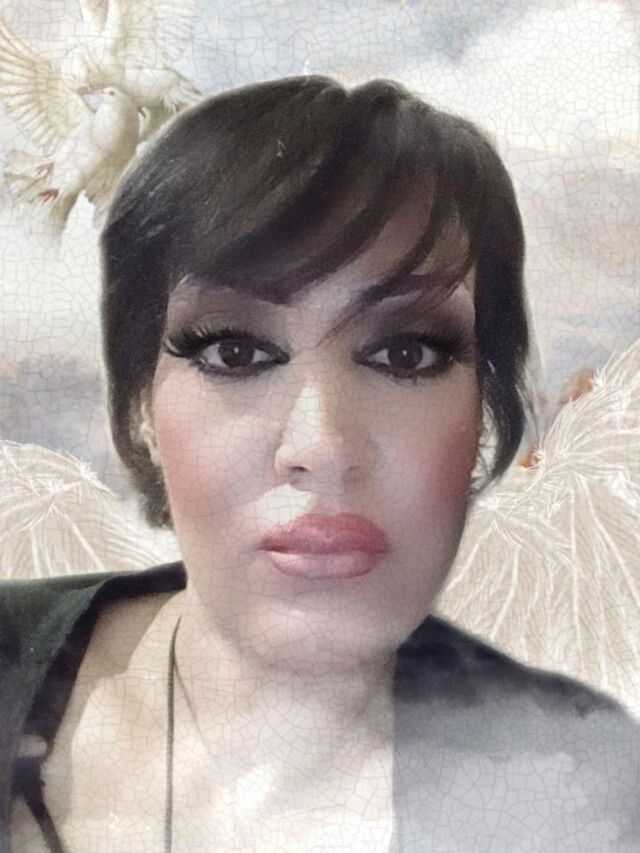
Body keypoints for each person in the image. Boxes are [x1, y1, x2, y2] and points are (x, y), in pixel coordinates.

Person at [2, 75, 639, 853]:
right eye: (235, 352)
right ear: (138, 404)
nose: (323, 446)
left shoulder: (589, 792)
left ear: (484, 410)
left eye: (406, 353)